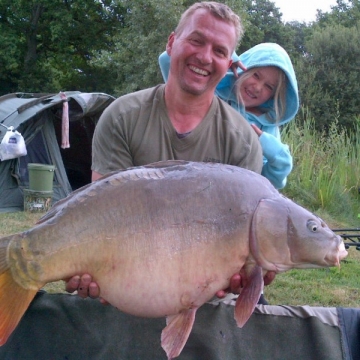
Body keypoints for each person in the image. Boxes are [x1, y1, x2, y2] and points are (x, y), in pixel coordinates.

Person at [66, 1, 275, 306]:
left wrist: (244, 275)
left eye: (219, 51)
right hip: (125, 281)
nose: (204, 57)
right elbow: (103, 213)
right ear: (172, 42)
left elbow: (240, 256)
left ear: (229, 63)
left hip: (209, 300)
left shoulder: (243, 142)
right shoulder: (121, 116)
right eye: (196, 40)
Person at [159, 42, 300, 189]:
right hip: (182, 179)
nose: (258, 88)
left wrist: (277, 153)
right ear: (242, 68)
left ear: (273, 95)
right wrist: (225, 56)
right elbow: (166, 59)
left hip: (228, 197)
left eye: (269, 87)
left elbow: (270, 184)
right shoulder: (209, 94)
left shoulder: (267, 126)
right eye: (256, 75)